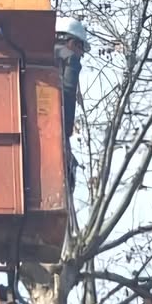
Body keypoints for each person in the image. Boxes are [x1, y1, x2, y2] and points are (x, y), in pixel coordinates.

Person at [53, 17, 90, 191]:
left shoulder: (37, 57)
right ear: (71, 42)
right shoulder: (70, 60)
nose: (81, 54)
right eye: (81, 47)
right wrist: (66, 132)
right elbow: (68, 93)